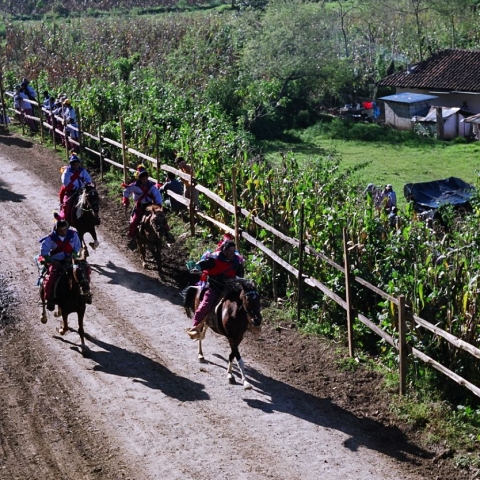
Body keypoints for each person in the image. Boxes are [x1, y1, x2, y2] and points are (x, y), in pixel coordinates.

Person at [187, 239, 245, 338]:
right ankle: (196, 326)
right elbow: (202, 264)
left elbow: (239, 274)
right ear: (224, 251)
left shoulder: (236, 261)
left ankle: (251, 323)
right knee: (205, 304)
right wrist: (198, 268)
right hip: (215, 287)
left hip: (230, 287)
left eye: (233, 251)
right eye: (229, 252)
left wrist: (239, 281)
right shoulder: (214, 259)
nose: (232, 254)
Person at [39, 220, 81, 311]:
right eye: (61, 231)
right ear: (56, 230)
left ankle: (86, 294)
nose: (63, 233)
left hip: (70, 259)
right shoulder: (50, 238)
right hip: (56, 261)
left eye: (65, 230)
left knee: (82, 272)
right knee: (52, 276)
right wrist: (51, 260)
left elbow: (77, 247)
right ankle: (50, 298)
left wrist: (72, 256)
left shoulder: (73, 235)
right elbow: (44, 251)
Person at [122, 164, 164, 250]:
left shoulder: (151, 186)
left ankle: (166, 234)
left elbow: (157, 195)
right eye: (142, 178)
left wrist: (158, 205)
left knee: (161, 218)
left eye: (146, 178)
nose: (144, 179)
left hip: (150, 206)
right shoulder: (134, 186)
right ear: (139, 178)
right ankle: (132, 238)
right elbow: (126, 191)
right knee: (134, 221)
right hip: (140, 206)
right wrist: (126, 201)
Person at [58, 153, 92, 223]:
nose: (76, 166)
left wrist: (88, 183)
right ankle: (65, 217)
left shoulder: (82, 170)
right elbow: (65, 182)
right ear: (71, 164)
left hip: (83, 190)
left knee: (92, 200)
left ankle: (95, 217)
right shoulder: (67, 172)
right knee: (67, 203)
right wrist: (75, 188)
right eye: (74, 164)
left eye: (77, 164)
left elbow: (88, 178)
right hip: (72, 191)